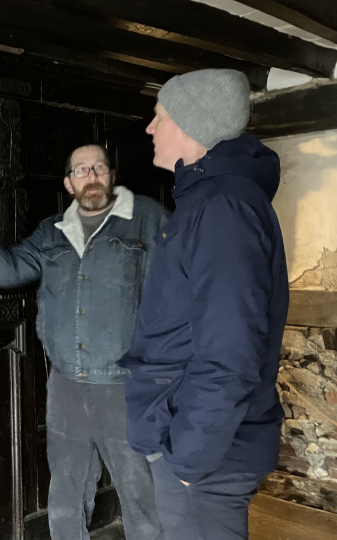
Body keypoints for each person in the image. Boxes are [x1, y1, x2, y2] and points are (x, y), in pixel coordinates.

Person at [0, 144, 168, 540]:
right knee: (65, 494)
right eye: (81, 170)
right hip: (65, 384)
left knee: (140, 495)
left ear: (111, 175)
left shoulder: (147, 219)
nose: (92, 175)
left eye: (99, 167)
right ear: (69, 183)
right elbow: (7, 271)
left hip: (125, 384)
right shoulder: (52, 232)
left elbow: (176, 292)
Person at [119, 69, 290, 540]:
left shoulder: (223, 208)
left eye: (158, 117)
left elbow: (231, 350)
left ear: (191, 123)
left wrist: (188, 458)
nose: (150, 129)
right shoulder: (212, 201)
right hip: (197, 442)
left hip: (205, 454)